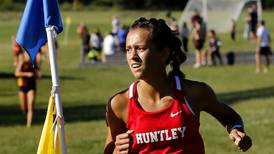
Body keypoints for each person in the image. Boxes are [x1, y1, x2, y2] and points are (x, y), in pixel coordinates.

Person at [104, 17, 252, 153]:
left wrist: (236, 130)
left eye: (140, 48)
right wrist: (117, 152)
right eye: (128, 49)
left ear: (163, 53)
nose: (132, 56)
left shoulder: (194, 93)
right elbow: (110, 150)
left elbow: (230, 117)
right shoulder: (119, 104)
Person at [15, 52, 38, 127]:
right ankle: (24, 112)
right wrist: (27, 74)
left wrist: (36, 74)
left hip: (32, 86)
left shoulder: (33, 61)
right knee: (23, 107)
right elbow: (17, 73)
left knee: (30, 105)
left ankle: (29, 124)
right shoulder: (22, 61)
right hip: (23, 86)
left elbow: (37, 72)